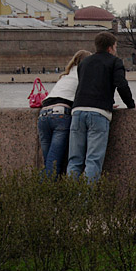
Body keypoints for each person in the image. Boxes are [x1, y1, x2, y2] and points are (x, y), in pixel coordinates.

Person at [67, 31, 136, 181]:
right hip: (98, 113)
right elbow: (121, 85)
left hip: (78, 110)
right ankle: (86, 203)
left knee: (74, 160)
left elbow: (87, 85)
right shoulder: (115, 62)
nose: (115, 50)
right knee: (93, 161)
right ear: (110, 48)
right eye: (115, 46)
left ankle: (70, 200)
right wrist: (130, 105)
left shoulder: (84, 62)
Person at [37, 49, 91, 177]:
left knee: (48, 161)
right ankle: (47, 193)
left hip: (43, 115)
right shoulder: (83, 75)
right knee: (53, 162)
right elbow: (88, 96)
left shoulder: (65, 76)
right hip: (60, 115)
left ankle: (42, 191)